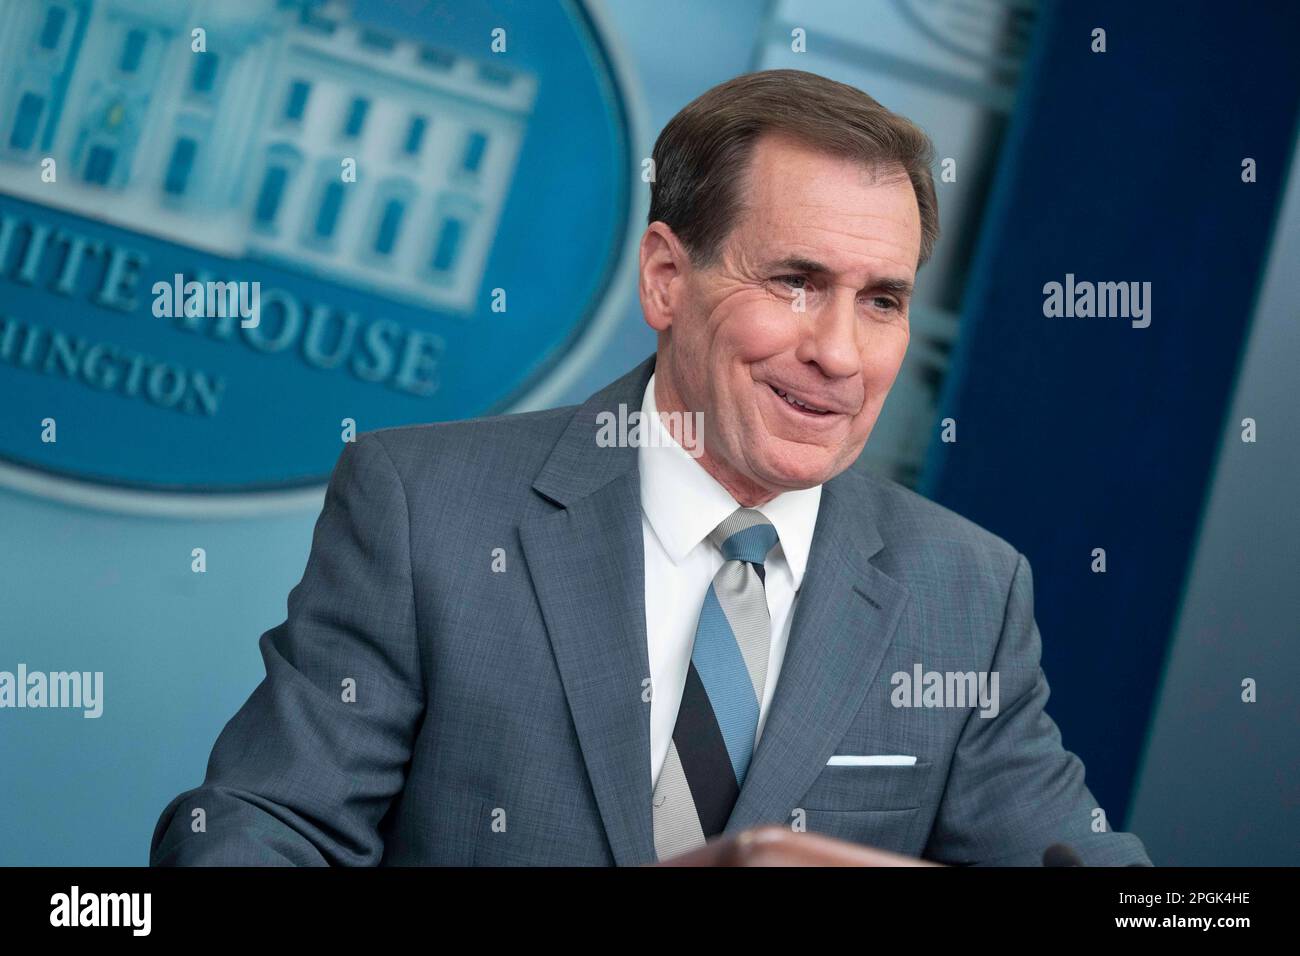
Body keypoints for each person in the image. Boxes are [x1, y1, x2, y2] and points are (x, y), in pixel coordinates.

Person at [151, 69, 1151, 866]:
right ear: (667, 277)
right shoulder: (425, 510)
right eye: (796, 283)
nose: (840, 353)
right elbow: (252, 834)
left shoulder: (966, 592)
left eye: (881, 300)